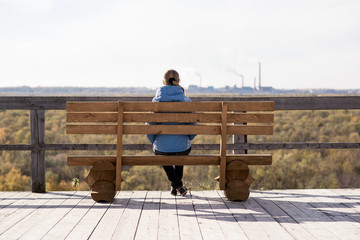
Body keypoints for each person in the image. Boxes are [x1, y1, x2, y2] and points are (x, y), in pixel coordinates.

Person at [147, 69, 196, 196]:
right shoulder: (187, 101)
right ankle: (177, 186)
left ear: (163, 82)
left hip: (162, 148)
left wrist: (154, 141)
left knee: (162, 152)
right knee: (180, 152)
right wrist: (190, 137)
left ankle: (177, 186)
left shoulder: (156, 102)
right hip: (182, 147)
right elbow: (193, 126)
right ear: (178, 81)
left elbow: (149, 127)